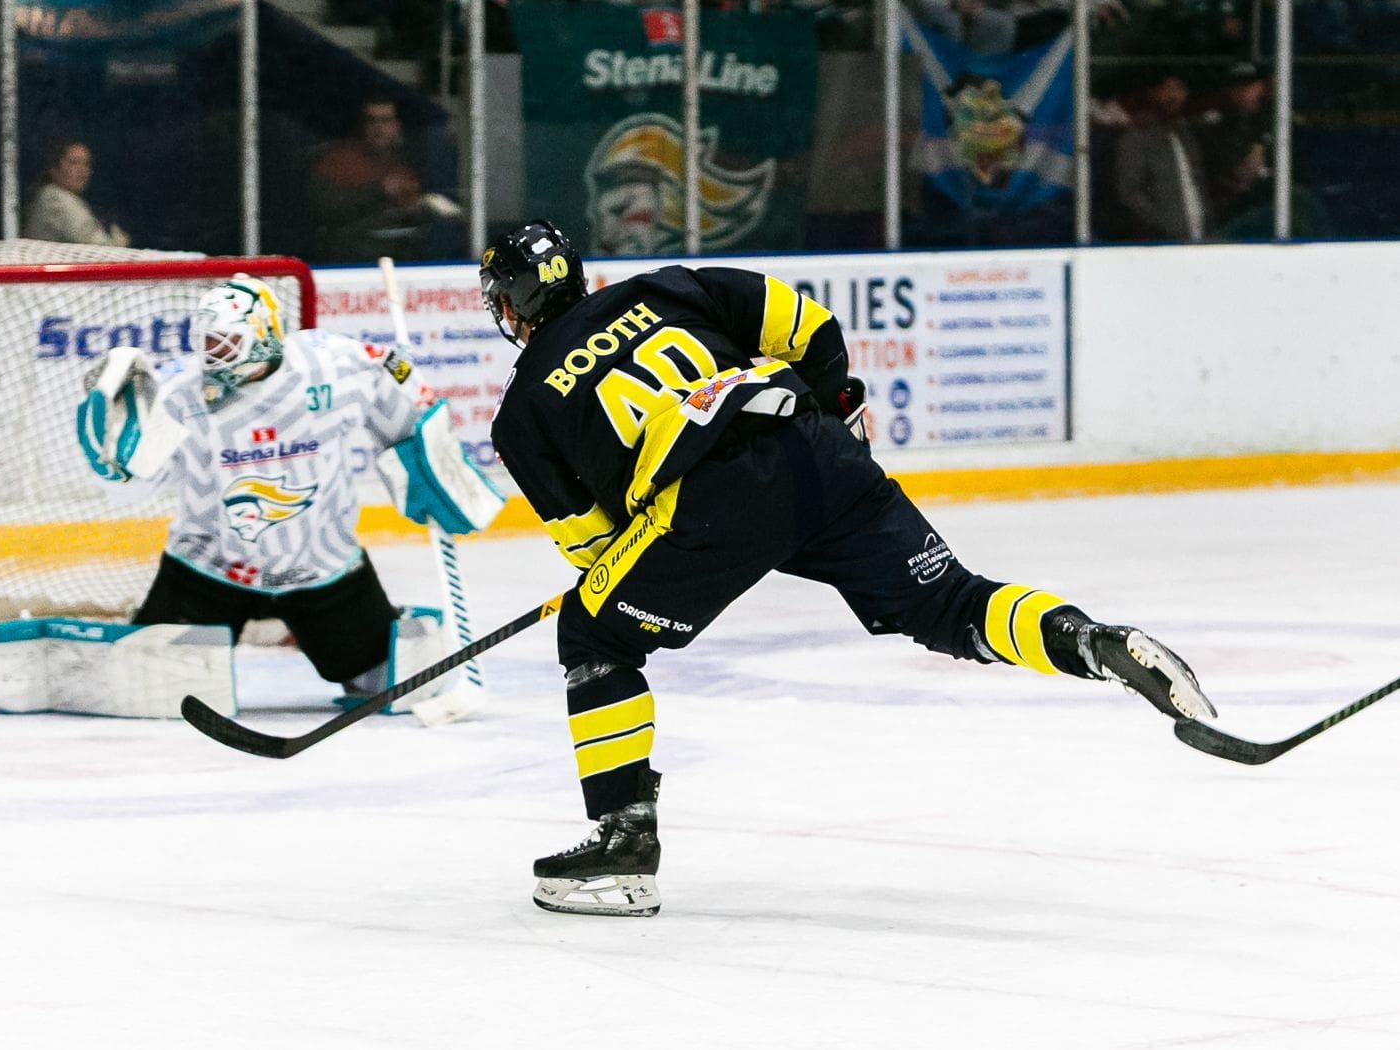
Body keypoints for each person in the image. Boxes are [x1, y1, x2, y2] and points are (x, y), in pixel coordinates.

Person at [480, 220, 1216, 916]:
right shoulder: (665, 288)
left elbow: (593, 548)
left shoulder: (521, 414)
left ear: (512, 305)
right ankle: (1091, 641)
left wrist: (614, 578)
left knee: (594, 637)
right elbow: (806, 326)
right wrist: (833, 406)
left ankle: (621, 845)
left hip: (707, 504)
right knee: (950, 603)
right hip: (817, 450)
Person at [75, 276, 495, 704]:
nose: (212, 355)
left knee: (394, 687)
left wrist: (427, 454)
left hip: (321, 566)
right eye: (207, 342)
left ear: (263, 337)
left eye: (226, 342)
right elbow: (135, 489)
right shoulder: (179, 394)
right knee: (157, 692)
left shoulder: (331, 367)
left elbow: (393, 375)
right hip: (209, 568)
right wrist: (113, 468)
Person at [308, 97, 463, 264]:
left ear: (396, 126)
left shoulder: (404, 163)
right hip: (352, 259)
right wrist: (378, 190)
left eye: (386, 120)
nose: (379, 127)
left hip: (403, 254)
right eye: (372, 121)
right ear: (362, 126)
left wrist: (415, 209)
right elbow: (325, 208)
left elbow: (415, 214)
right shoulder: (338, 161)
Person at [1112, 73, 1210, 241]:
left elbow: (1198, 183)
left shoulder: (1186, 134)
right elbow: (1130, 192)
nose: (1173, 95)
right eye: (1167, 88)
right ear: (1152, 92)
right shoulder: (1137, 137)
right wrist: (1165, 225)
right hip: (1161, 242)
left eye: (1179, 88)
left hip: (1199, 236)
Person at [24, 141, 129, 247]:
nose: (82, 170)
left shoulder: (55, 195)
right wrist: (119, 240)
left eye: (86, 164)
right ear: (54, 169)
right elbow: (99, 247)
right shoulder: (56, 199)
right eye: (73, 163)